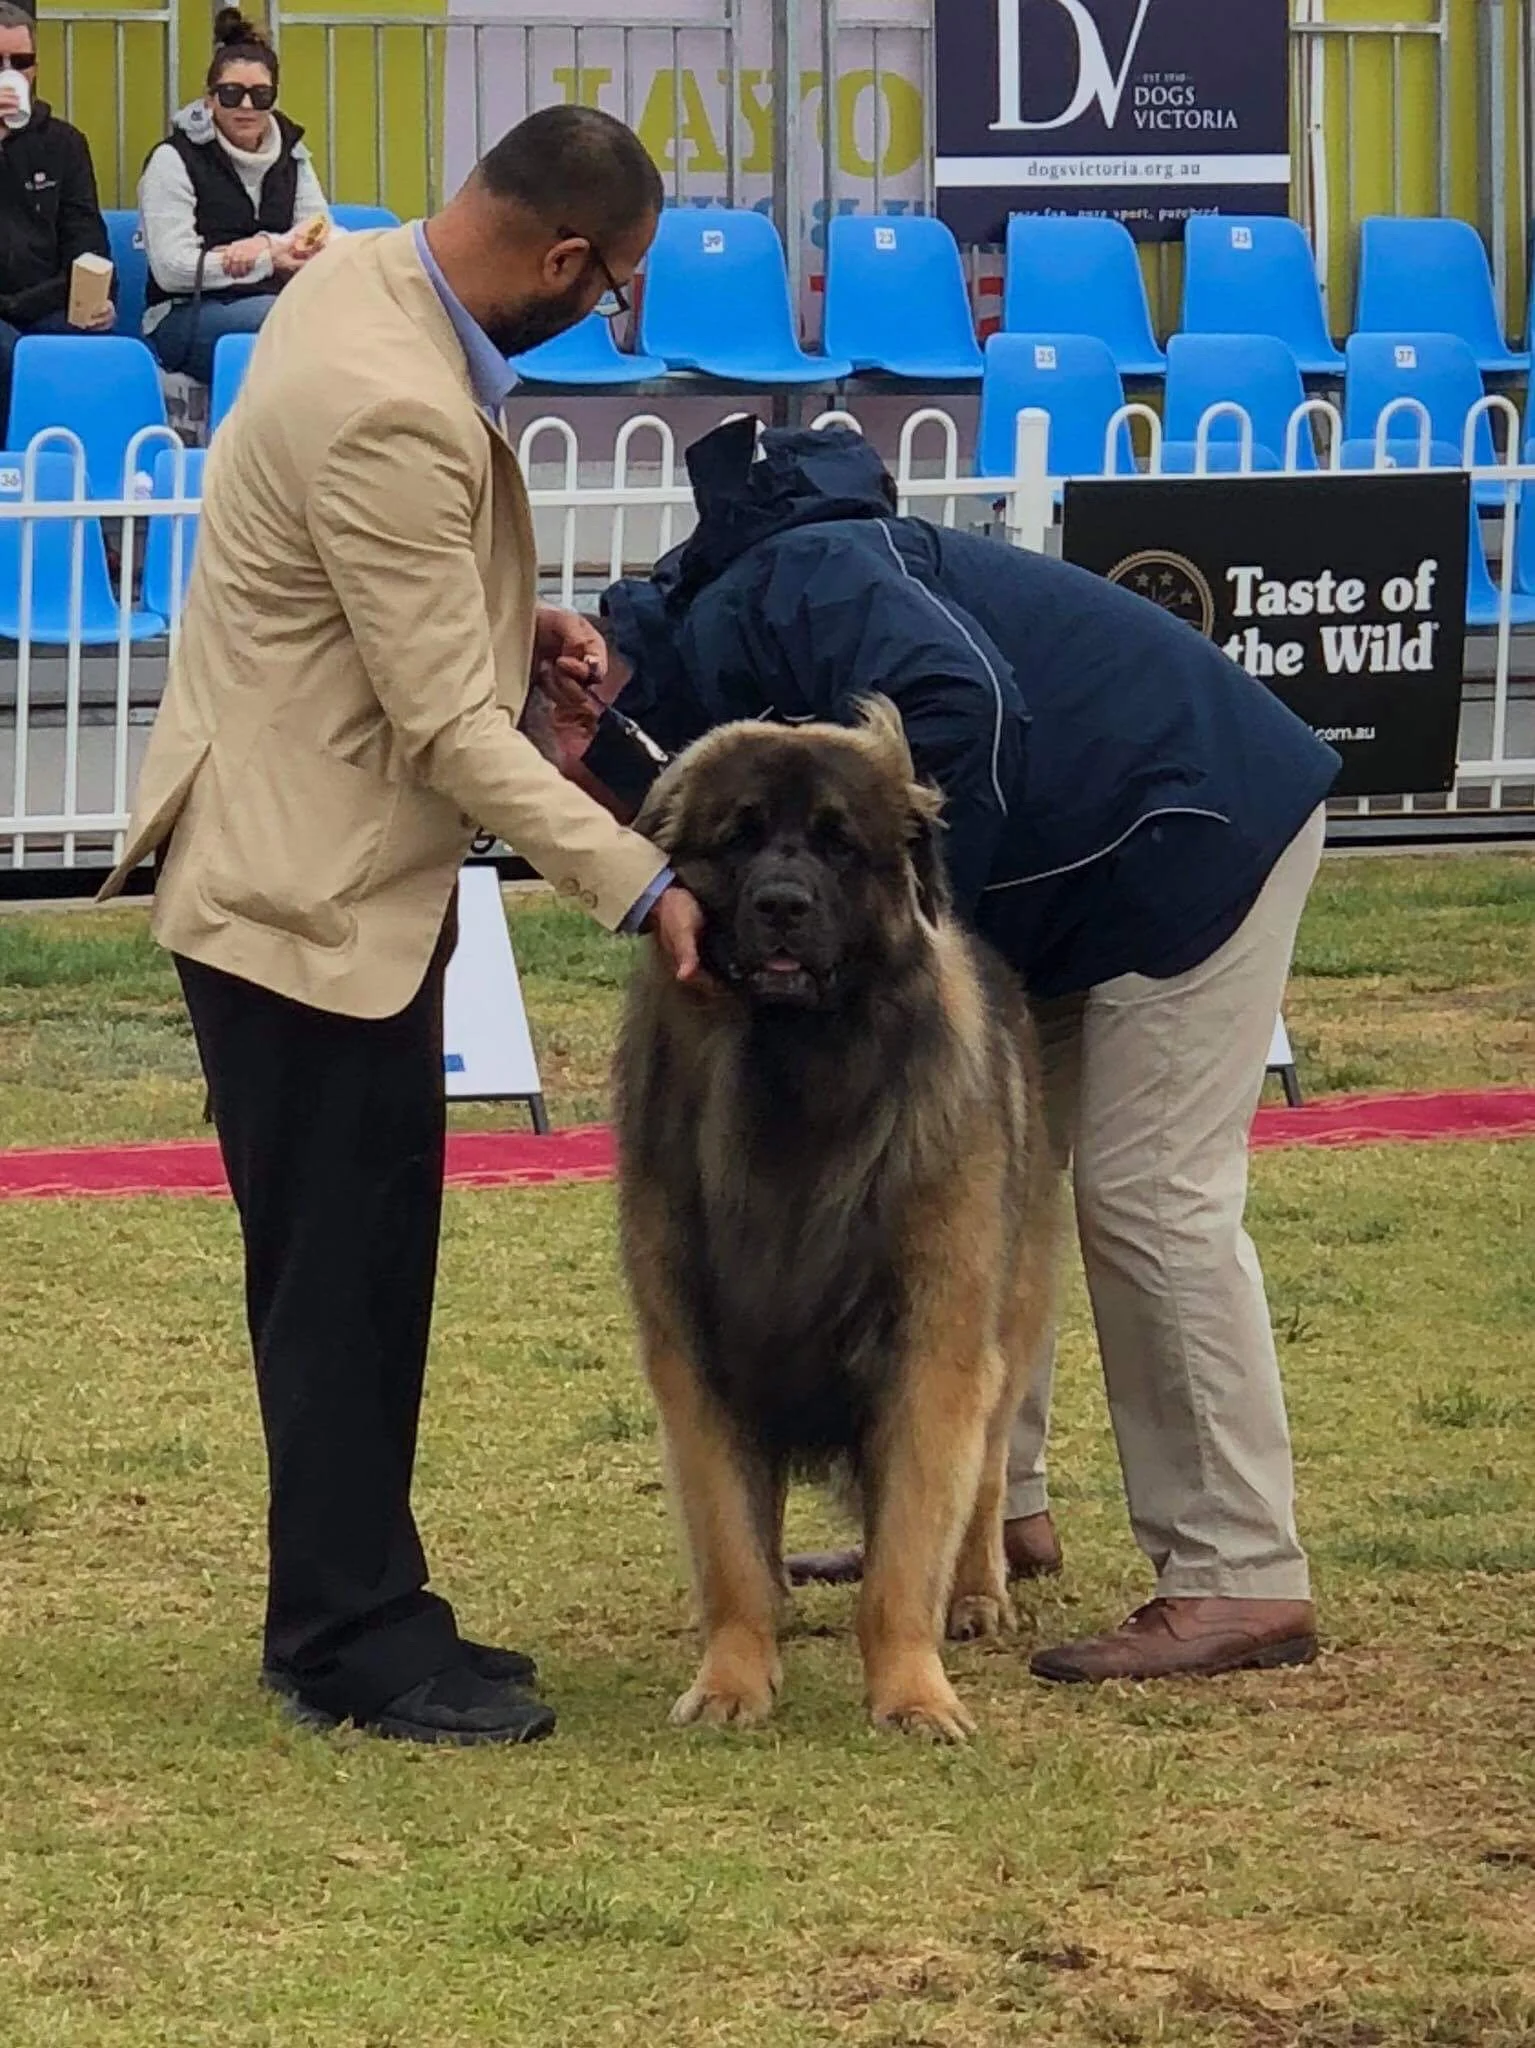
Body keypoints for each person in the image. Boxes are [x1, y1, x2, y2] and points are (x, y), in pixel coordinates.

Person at [538, 417, 1342, 1687]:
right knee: (991, 1217)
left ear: (609, 676)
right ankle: (978, 1523)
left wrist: (911, 919)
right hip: (1068, 883)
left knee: (1146, 1195)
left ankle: (1234, 1574)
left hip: (1190, 836)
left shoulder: (802, 574)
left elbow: (960, 705)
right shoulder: (730, 642)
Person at [99, 107, 704, 1748]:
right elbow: (444, 722)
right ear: (567, 259)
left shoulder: (358, 277)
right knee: (341, 1282)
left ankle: (366, 1605)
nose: (611, 324)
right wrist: (644, 882)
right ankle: (349, 1637)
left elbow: (382, 611)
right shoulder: (392, 404)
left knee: (356, 1270)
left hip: (301, 865)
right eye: (621, 295)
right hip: (308, 896)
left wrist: (523, 622)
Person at [138, 8, 336, 385]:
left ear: (274, 99)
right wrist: (271, 260)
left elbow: (320, 229)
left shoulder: (293, 153)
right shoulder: (172, 158)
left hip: (278, 301)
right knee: (290, 320)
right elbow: (174, 268)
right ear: (210, 99)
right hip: (185, 313)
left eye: (260, 95)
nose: (246, 106)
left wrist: (264, 244)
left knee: (346, 314)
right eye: (231, 94)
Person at [0, 0, 114, 421]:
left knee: (100, 355)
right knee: (12, 357)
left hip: (46, 303)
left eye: (21, 62)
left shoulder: (64, 143)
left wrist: (100, 297)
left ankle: (89, 477)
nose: (9, 73)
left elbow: (85, 233)